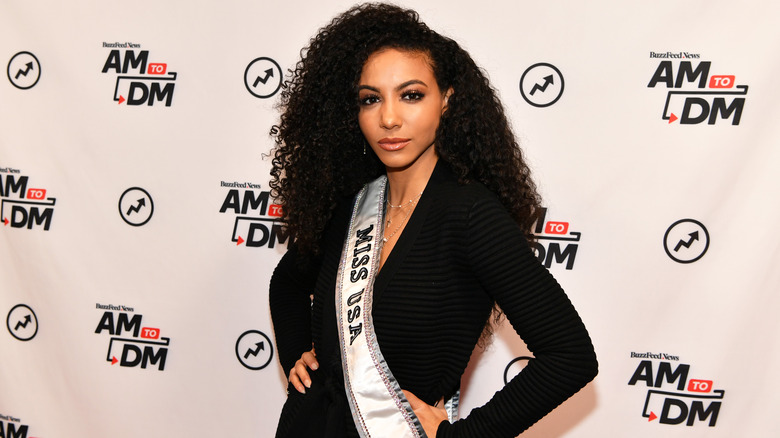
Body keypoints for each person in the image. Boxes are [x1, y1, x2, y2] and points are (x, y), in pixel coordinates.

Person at [268, 4, 597, 437]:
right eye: (370, 99)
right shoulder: (352, 203)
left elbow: (570, 356)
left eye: (411, 95)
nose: (388, 118)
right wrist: (297, 352)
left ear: (446, 100)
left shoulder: (470, 214)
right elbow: (287, 283)